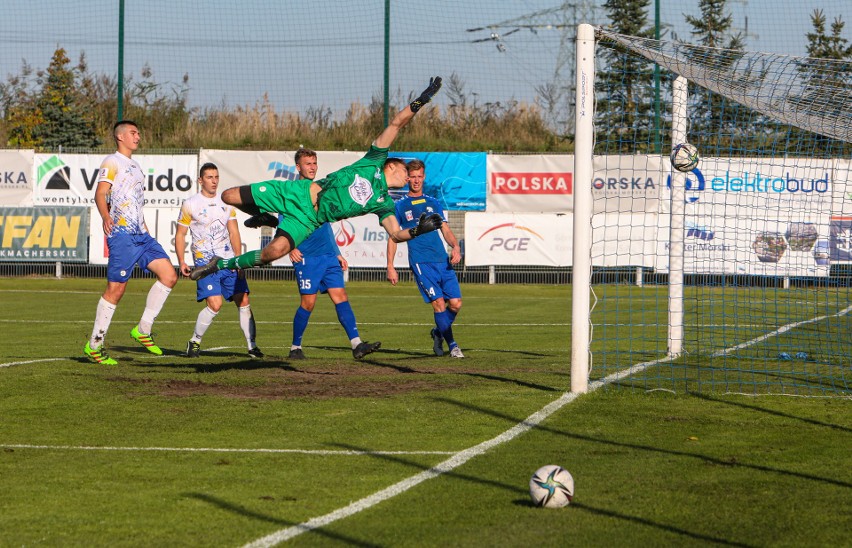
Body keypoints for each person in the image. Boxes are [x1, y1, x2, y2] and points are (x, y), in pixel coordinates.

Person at [189, 76, 445, 284]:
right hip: (298, 193)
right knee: (228, 196)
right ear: (392, 165)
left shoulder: (384, 204)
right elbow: (397, 125)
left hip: (309, 219)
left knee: (272, 253)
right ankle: (266, 216)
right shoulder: (374, 160)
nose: (409, 176)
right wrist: (421, 101)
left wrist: (417, 230)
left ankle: (219, 265)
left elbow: (396, 234)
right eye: (405, 171)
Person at [84, 120, 178, 365]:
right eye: (133, 133)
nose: (138, 136)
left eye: (138, 132)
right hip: (123, 235)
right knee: (116, 289)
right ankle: (95, 345)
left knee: (169, 275)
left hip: (141, 235)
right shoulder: (112, 161)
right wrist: (106, 216)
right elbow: (100, 192)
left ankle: (143, 329)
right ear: (120, 137)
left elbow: (135, 202)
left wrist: (144, 226)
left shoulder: (135, 166)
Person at [285, 148, 380, 360]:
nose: (312, 167)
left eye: (314, 163)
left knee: (341, 296)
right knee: (308, 303)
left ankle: (356, 345)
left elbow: (326, 224)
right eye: (307, 163)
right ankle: (295, 347)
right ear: (298, 167)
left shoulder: (320, 190)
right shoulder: (292, 191)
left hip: (328, 255)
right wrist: (290, 247)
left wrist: (337, 252)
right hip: (307, 256)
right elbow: (283, 221)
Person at [175, 162, 263, 359]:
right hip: (205, 263)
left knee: (244, 299)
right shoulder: (190, 204)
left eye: (216, 177)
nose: (214, 181)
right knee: (215, 304)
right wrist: (182, 261)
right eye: (209, 177)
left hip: (229, 261)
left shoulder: (226, 203)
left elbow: (233, 231)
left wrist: (239, 260)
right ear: (200, 180)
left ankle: (252, 346)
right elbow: (180, 235)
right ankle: (194, 342)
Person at [386, 159, 464, 358]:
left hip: (441, 259)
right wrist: (390, 266)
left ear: (424, 176)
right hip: (421, 262)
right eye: (412, 177)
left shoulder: (433, 202)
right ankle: (453, 345)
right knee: (438, 304)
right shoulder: (400, 206)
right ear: (407, 178)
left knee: (455, 303)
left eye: (419, 176)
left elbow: (445, 230)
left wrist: (455, 246)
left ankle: (438, 333)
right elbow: (393, 237)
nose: (416, 180)